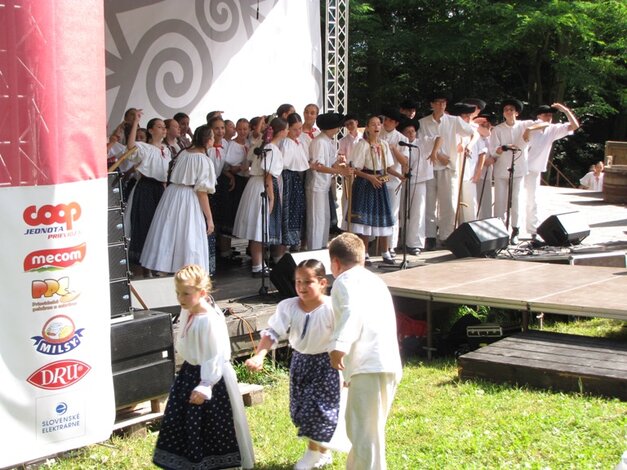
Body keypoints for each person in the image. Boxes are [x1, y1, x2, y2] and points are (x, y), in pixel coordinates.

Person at [245, 259, 348, 470]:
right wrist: (259, 356)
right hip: (300, 362)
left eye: (307, 282)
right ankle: (323, 452)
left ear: (322, 283)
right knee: (299, 411)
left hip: (327, 364)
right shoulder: (288, 306)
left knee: (318, 410)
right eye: (297, 281)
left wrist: (348, 369)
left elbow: (346, 337)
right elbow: (272, 332)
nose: (301, 287)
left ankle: (311, 455)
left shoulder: (331, 308)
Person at [153, 265, 254, 469]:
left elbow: (215, 354)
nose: (181, 298)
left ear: (202, 293)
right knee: (185, 422)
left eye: (186, 293)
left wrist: (206, 383)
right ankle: (189, 462)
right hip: (190, 373)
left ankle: (216, 463)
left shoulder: (208, 319)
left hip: (211, 379)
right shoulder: (189, 311)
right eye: (178, 293)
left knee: (213, 425)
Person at [327, 233, 402, 470]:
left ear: (335, 263)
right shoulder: (375, 280)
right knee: (370, 432)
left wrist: (339, 347)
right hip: (386, 362)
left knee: (362, 433)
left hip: (367, 365)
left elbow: (351, 313)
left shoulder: (344, 281)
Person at [140, 125, 216, 275]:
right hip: (188, 197)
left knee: (169, 232)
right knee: (187, 235)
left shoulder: (183, 153)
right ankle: (185, 273)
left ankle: (164, 268)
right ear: (208, 140)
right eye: (212, 137)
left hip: (172, 195)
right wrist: (209, 218)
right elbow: (202, 192)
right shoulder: (204, 160)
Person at [419, 92, 475, 250]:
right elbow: (421, 143)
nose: (441, 105)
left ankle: (446, 235)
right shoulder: (423, 122)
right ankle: (429, 236)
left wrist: (465, 145)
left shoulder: (454, 121)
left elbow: (472, 133)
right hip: (429, 166)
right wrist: (437, 154)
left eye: (443, 102)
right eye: (437, 102)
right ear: (432, 104)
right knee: (429, 203)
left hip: (448, 166)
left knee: (448, 203)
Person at [233, 117, 287, 276]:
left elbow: (249, 161)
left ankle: (259, 262)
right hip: (261, 186)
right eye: (287, 128)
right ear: (282, 131)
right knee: (259, 226)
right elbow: (268, 175)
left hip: (254, 185)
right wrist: (271, 198)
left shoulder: (261, 144)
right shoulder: (272, 148)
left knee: (259, 227)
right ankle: (257, 265)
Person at [349, 115, 405, 265]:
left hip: (379, 183)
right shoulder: (362, 145)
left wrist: (400, 176)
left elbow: (387, 167)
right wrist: (370, 178)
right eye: (373, 124)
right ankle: (364, 252)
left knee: (383, 216)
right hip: (366, 183)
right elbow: (355, 169)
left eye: (379, 124)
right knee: (365, 219)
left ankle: (385, 251)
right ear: (367, 127)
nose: (376, 127)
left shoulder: (384, 145)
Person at [125, 111, 172, 273]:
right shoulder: (144, 147)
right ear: (151, 130)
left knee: (159, 225)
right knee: (145, 223)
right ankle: (143, 266)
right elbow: (130, 147)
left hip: (161, 189)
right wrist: (135, 123)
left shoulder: (166, 150)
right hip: (145, 188)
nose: (163, 130)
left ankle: (155, 262)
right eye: (159, 127)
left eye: (164, 127)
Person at [525, 103, 580, 239]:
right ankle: (512, 227)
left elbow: (574, 126)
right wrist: (531, 129)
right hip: (520, 167)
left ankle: (532, 230)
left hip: (534, 170)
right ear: (539, 116)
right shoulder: (531, 124)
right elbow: (534, 126)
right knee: (515, 199)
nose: (548, 117)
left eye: (550, 115)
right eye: (545, 114)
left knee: (533, 200)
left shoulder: (552, 129)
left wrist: (566, 110)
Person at [489, 98, 535, 244]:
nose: (508, 112)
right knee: (500, 201)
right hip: (502, 168)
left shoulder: (524, 125)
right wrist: (502, 148)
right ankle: (499, 230)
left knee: (517, 199)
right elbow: (493, 150)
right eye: (506, 110)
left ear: (517, 112)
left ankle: (516, 229)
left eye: (511, 109)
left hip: (519, 168)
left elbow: (543, 124)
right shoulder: (497, 129)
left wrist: (528, 130)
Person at [306, 112, 352, 251]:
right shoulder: (319, 142)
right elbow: (318, 166)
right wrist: (339, 171)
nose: (339, 129)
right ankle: (314, 250)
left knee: (324, 218)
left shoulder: (330, 142)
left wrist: (342, 166)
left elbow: (331, 163)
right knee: (316, 219)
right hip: (316, 185)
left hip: (324, 186)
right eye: (337, 127)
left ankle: (320, 247)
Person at [398, 118, 433, 255]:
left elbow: (438, 139)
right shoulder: (401, 144)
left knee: (417, 212)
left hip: (419, 181)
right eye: (408, 131)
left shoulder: (421, 142)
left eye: (413, 131)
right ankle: (401, 241)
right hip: (402, 181)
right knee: (402, 212)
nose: (411, 134)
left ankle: (415, 243)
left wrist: (435, 152)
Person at [380, 106, 409, 258]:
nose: (386, 123)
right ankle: (377, 243)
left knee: (392, 212)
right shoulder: (378, 134)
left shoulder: (401, 139)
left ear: (396, 123)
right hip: (378, 178)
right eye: (385, 119)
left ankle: (391, 245)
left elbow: (404, 161)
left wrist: (393, 149)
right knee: (378, 211)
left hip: (393, 179)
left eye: (390, 121)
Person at [278, 113, 309, 255]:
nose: (298, 132)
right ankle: (282, 249)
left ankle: (295, 242)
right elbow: (284, 164)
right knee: (287, 210)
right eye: (295, 129)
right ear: (288, 129)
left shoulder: (298, 142)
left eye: (300, 128)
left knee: (296, 210)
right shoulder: (285, 143)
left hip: (296, 178)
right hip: (287, 178)